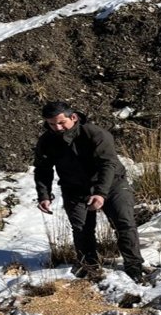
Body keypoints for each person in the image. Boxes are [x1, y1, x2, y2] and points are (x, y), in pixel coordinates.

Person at [34, 101, 151, 282]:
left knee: (124, 222)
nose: (57, 128)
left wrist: (100, 193)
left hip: (112, 184)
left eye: (61, 122)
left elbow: (108, 164)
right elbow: (43, 169)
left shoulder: (96, 134)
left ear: (73, 117)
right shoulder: (47, 140)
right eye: (51, 124)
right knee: (81, 228)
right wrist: (44, 195)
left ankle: (134, 265)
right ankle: (89, 266)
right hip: (74, 188)